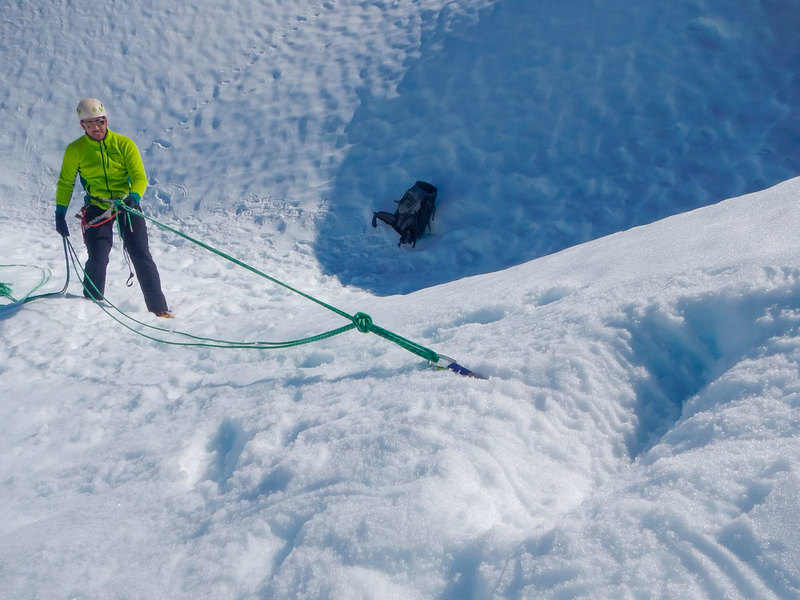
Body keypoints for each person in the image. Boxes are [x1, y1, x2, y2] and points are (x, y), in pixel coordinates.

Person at [55, 98, 171, 317]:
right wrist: (60, 213)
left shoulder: (124, 144)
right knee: (98, 256)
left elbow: (139, 177)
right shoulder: (75, 150)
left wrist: (133, 197)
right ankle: (91, 304)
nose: (96, 128)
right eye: (89, 124)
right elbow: (65, 182)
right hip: (98, 207)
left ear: (106, 120)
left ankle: (159, 309)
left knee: (140, 254)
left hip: (127, 205)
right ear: (82, 126)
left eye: (99, 122)